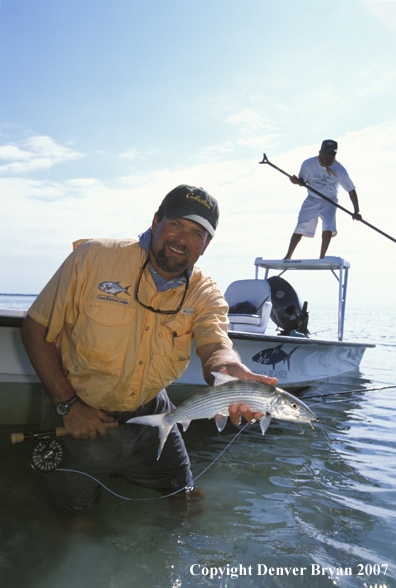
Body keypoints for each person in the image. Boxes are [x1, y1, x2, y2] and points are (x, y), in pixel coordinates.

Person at [21, 184, 278, 517]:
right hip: (77, 406)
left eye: (196, 232)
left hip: (153, 412)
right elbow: (35, 327)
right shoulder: (93, 257)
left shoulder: (205, 292)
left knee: (188, 503)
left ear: (206, 244)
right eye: (176, 225)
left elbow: (215, 346)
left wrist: (228, 368)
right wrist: (67, 405)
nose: (182, 239)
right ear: (156, 221)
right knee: (73, 519)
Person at [284, 140, 362, 259]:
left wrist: (356, 211)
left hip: (330, 199)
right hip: (312, 198)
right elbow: (302, 181)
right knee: (301, 225)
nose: (328, 158)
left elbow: (351, 190)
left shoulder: (339, 169)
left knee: (328, 226)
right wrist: (297, 181)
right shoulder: (308, 164)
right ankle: (288, 256)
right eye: (326, 155)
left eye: (332, 156)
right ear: (320, 152)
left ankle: (322, 257)